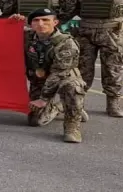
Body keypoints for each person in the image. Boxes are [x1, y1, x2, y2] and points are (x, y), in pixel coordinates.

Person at [25, 8, 86, 143]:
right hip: (40, 80)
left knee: (72, 87)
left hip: (63, 77)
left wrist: (43, 99)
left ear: (55, 22)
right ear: (31, 24)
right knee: (35, 120)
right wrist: (12, 20)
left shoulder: (66, 42)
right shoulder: (27, 37)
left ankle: (72, 126)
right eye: (36, 20)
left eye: (45, 20)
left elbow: (59, 73)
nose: (40, 24)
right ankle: (60, 107)